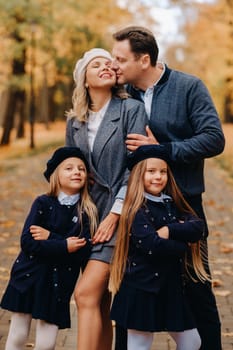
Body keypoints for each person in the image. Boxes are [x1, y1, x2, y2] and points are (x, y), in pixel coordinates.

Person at [111, 26, 225, 350]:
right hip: (136, 205)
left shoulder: (188, 87)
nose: (114, 64)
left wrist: (163, 149)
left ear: (143, 59)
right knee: (130, 285)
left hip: (184, 203)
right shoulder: (123, 96)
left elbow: (214, 138)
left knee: (196, 284)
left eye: (120, 59)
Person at [65, 48, 148, 350]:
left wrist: (115, 215)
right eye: (95, 65)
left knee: (84, 294)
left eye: (107, 64)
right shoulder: (75, 121)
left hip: (119, 213)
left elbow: (136, 167)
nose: (105, 67)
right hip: (86, 216)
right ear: (84, 80)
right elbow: (67, 168)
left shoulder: (130, 110)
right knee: (99, 301)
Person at [109, 144, 210, 350]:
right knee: (140, 344)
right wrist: (184, 244)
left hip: (169, 287)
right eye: (151, 171)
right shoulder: (135, 208)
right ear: (139, 175)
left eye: (163, 171)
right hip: (141, 287)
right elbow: (151, 245)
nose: (158, 176)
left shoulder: (171, 202)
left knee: (192, 341)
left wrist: (168, 232)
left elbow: (198, 227)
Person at [0, 146, 98, 350]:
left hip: (58, 284)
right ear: (56, 175)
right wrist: (64, 245)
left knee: (47, 343)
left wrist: (50, 238)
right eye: (69, 168)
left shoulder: (87, 211)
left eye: (81, 168)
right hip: (28, 277)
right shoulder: (43, 203)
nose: (77, 172)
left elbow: (82, 249)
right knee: (17, 336)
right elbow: (28, 242)